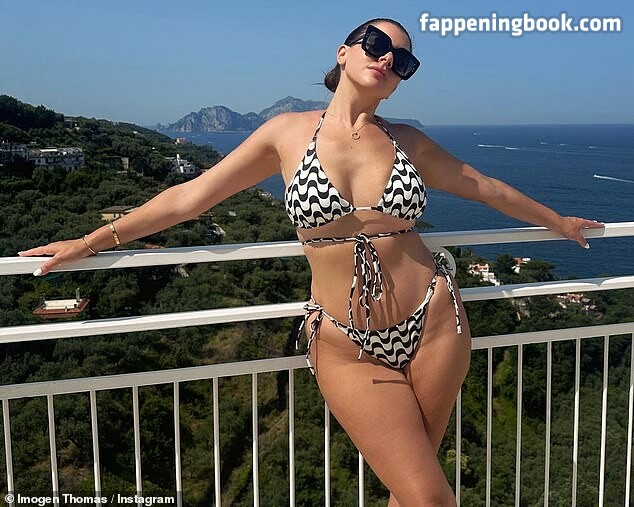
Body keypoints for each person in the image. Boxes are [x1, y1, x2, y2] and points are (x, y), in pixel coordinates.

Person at [20, 17, 603, 507]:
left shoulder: (408, 142)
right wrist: (90, 242)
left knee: (413, 490)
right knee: (428, 496)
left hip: (433, 324)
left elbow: (484, 187)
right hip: (345, 342)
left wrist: (558, 221)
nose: (388, 59)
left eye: (403, 60)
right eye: (377, 44)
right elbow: (190, 198)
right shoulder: (286, 134)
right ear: (344, 53)